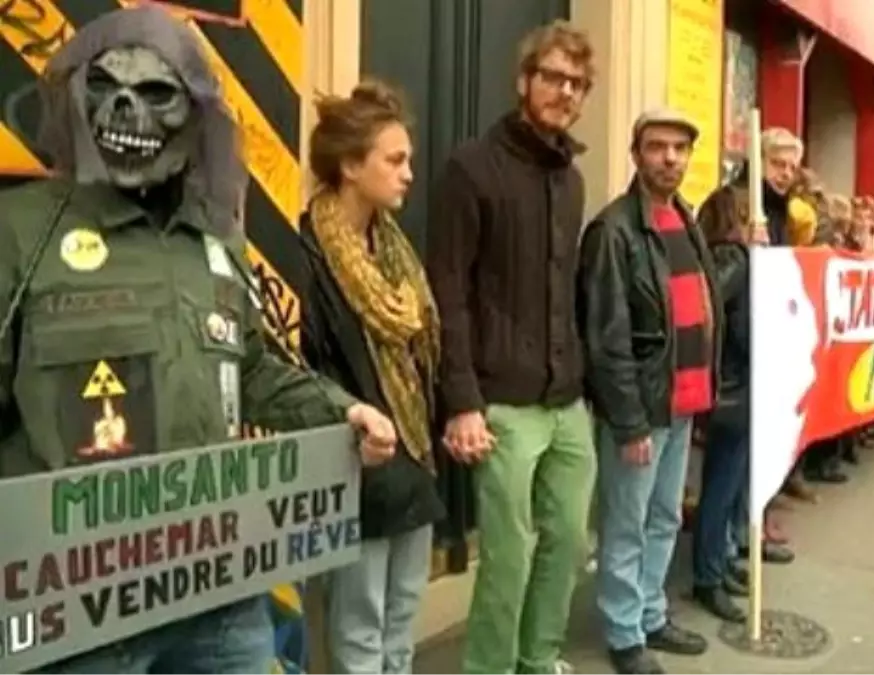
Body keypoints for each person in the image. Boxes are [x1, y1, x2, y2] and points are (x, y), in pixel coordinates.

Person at [12, 7, 398, 674]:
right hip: (78, 611)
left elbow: (250, 369)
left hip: (218, 594)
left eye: (155, 93)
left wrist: (342, 409)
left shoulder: (217, 240)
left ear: (193, 115)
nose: (124, 110)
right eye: (105, 88)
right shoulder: (19, 232)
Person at [426, 20, 596, 675]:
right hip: (501, 402)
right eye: (553, 77)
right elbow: (449, 290)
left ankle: (538, 656)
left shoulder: (571, 179)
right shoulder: (472, 168)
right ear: (524, 80)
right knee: (510, 551)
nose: (565, 92)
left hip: (565, 398)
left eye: (577, 83)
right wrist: (462, 401)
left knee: (570, 539)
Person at [299, 81, 445, 675]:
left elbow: (420, 346)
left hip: (410, 454)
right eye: (395, 159)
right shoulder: (307, 251)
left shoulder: (393, 248)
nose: (409, 173)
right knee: (359, 623)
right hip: (353, 458)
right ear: (351, 166)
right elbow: (304, 361)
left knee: (402, 615)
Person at [578, 109, 720, 675]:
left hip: (684, 402)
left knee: (664, 516)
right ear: (636, 155)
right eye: (658, 147)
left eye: (680, 148)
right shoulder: (614, 230)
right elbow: (605, 337)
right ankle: (623, 629)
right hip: (644, 409)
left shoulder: (685, 219)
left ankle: (651, 613)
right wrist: (629, 421)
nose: (670, 158)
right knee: (626, 521)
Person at [690, 184, 752, 625]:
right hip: (733, 382)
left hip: (731, 381)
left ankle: (720, 562)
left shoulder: (721, 255)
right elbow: (726, 316)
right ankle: (709, 573)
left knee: (728, 482)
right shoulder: (733, 259)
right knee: (723, 484)